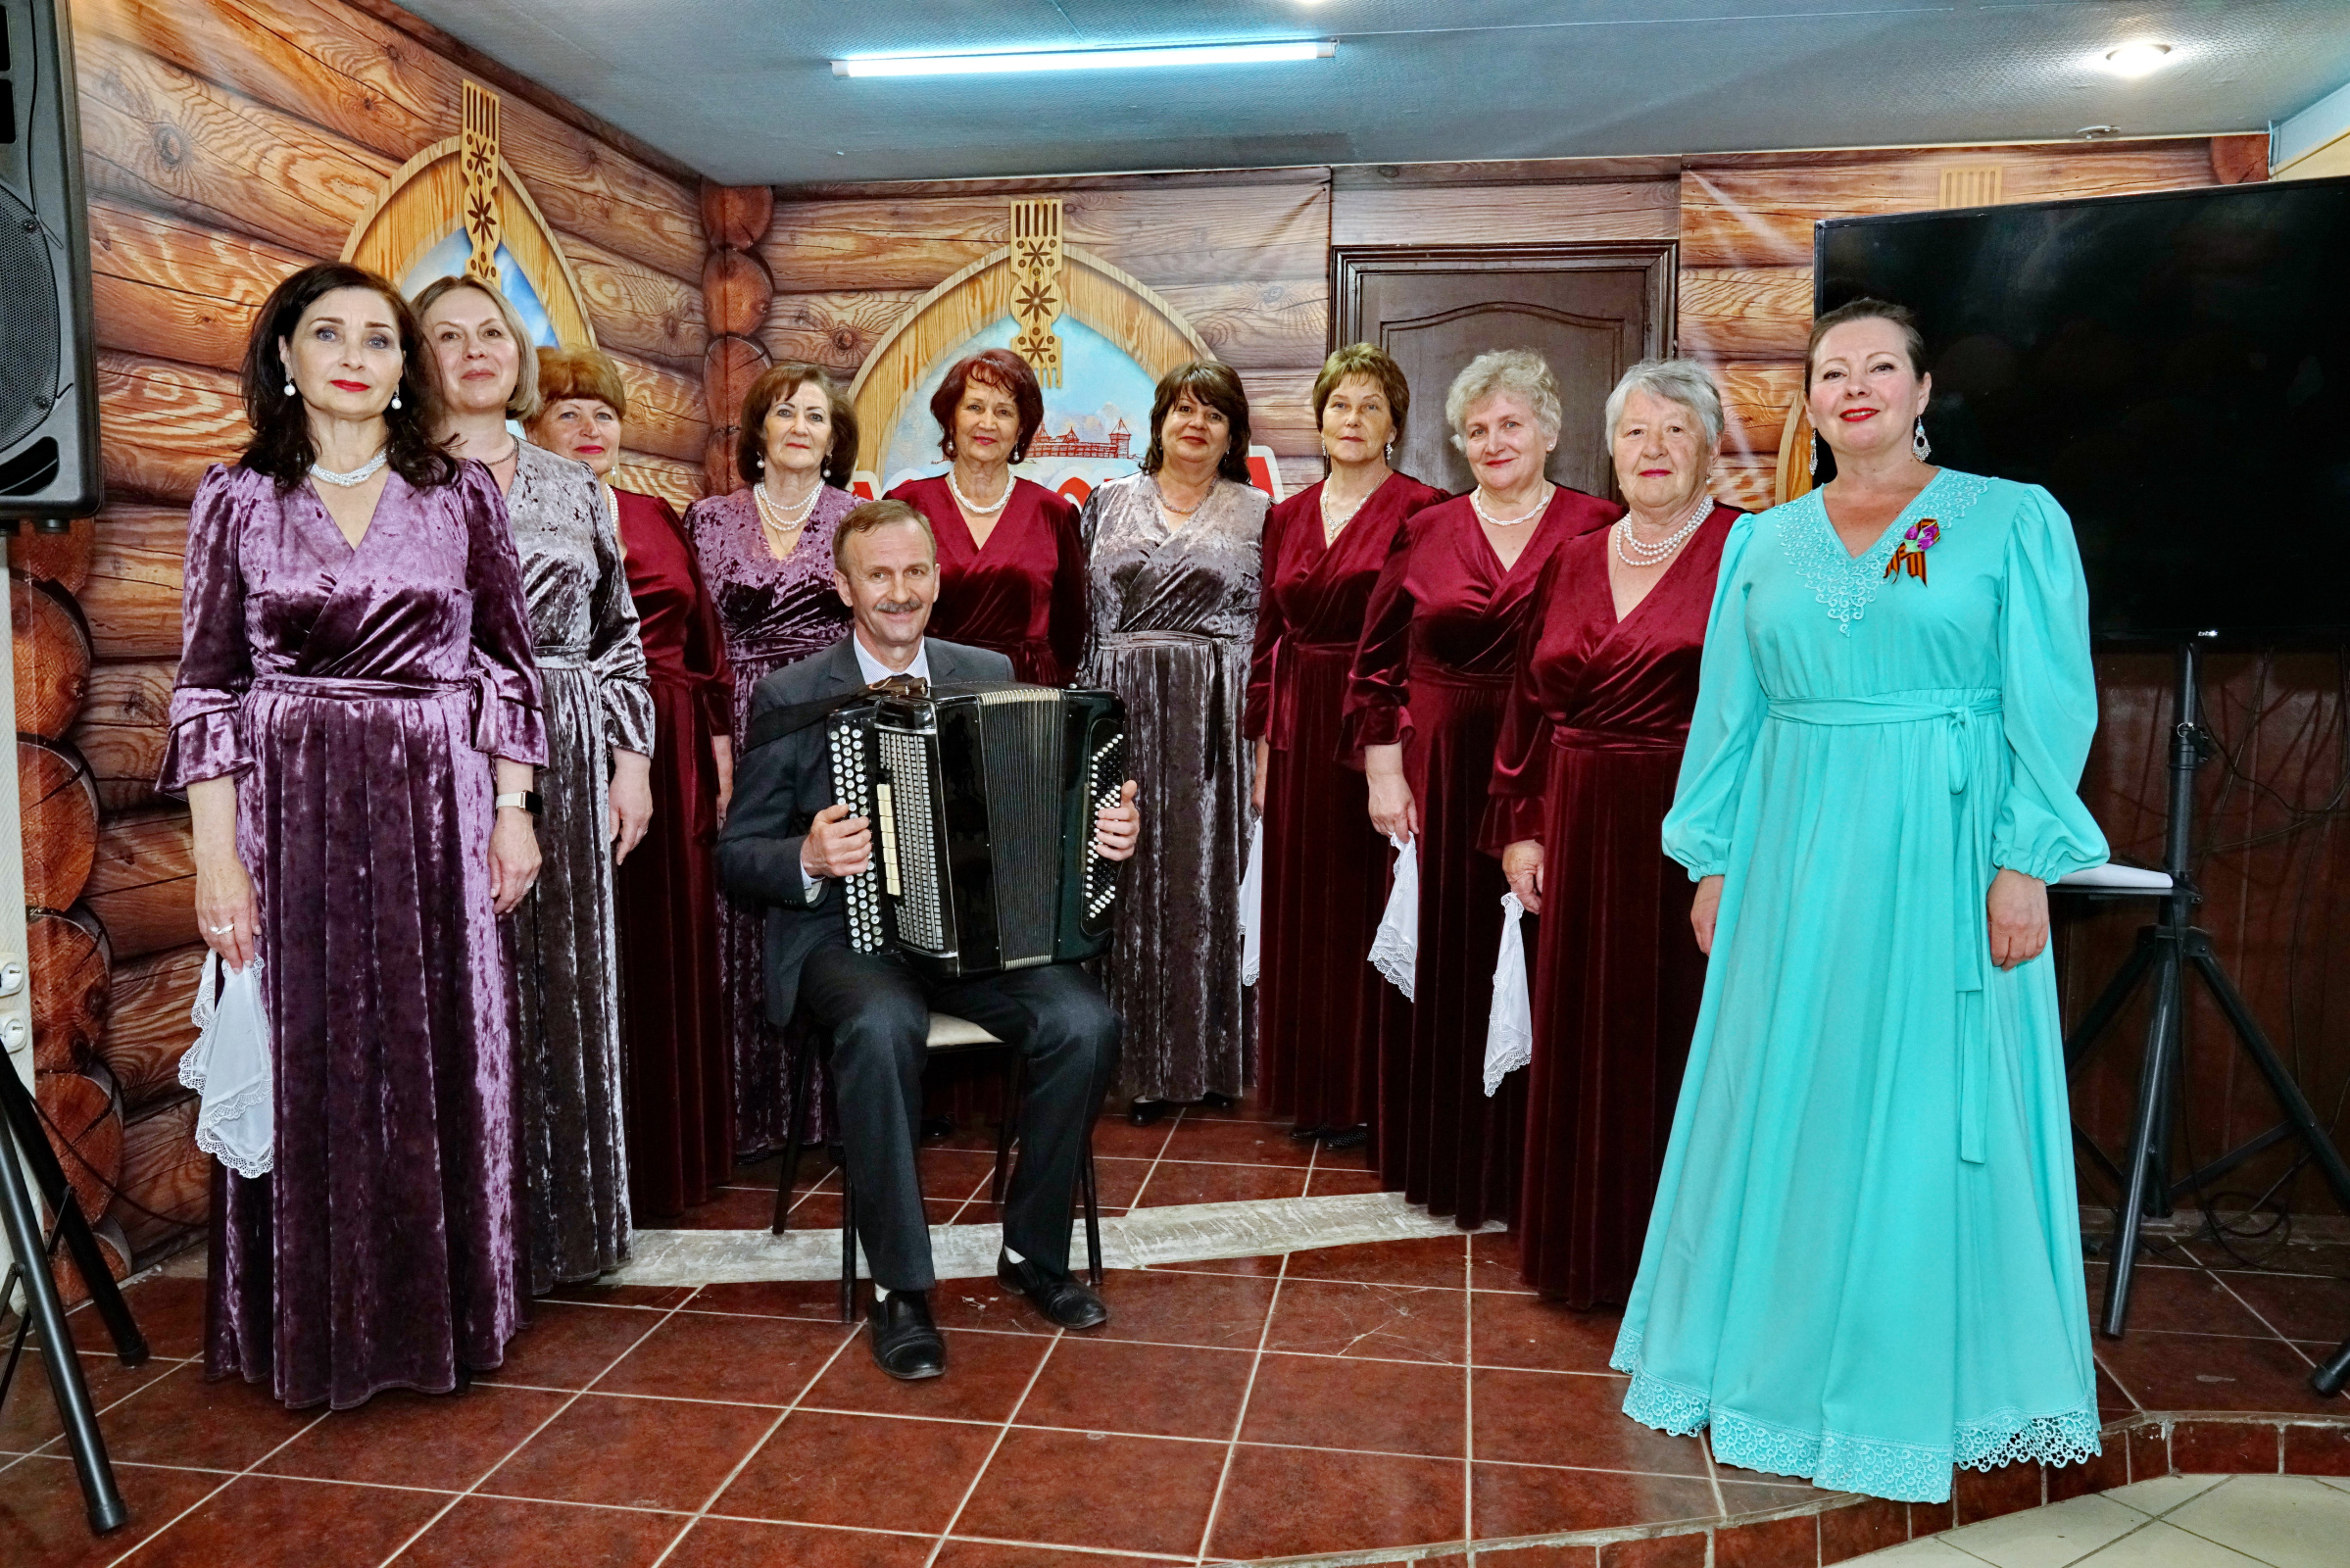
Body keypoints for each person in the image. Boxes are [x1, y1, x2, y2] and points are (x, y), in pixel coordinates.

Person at [1612, 300, 2107, 1502]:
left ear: (1922, 390)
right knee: (1788, 1094)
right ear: (1809, 401)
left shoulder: (2012, 520)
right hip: (1791, 858)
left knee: (1932, 1103)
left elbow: (2049, 700)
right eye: (1832, 371)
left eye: (1880, 366)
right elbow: (1728, 714)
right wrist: (1713, 859)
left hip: (1947, 853)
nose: (1855, 386)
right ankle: (1766, 1368)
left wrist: (2024, 859)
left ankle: (1923, 1385)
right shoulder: (1761, 541)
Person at [165, 262, 546, 1408]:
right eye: (327, 333)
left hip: (439, 806)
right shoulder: (234, 497)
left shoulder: (459, 495)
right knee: (309, 1058)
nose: (354, 355)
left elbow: (507, 666)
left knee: (441, 1051)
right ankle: (309, 1326)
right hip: (288, 814)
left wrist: (514, 810)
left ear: (402, 369)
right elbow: (206, 688)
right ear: (284, 355)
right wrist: (216, 857)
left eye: (379, 338)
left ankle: (440, 1318)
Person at [716, 500, 1141, 1381]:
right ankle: (901, 1288)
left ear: (938, 580)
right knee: (881, 1027)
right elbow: (736, 854)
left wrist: (1106, 829)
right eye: (879, 575)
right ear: (844, 587)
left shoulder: (984, 671)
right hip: (844, 938)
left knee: (1085, 1024)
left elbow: (1054, 801)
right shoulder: (793, 694)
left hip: (976, 943)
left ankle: (1032, 1253)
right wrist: (806, 855)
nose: (900, 592)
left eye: (915, 572)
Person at [1484, 360, 1739, 1305]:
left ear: (1710, 448)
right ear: (1610, 450)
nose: (1653, 448)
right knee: (1585, 1038)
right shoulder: (1574, 557)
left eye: (1676, 430)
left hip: (1692, 831)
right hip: (1580, 821)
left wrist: (1731, 855)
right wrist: (1523, 828)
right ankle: (1582, 1255)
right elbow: (1527, 705)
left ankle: (1674, 1274)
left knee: (1680, 1037)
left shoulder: (1748, 551)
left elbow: (1767, 715)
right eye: (1636, 431)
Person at [416, 275, 653, 1295]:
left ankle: (567, 1231)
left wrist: (631, 761)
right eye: (448, 336)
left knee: (563, 985)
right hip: (440, 748)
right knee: (459, 989)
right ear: (418, 358)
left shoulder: (574, 485)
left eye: (492, 333)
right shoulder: (398, 481)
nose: (476, 350)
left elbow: (618, 634)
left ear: (517, 355)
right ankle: (472, 1236)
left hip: (569, 740)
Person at [1344, 350, 1620, 1211]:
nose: (1494, 442)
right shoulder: (1426, 528)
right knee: (1448, 961)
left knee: (1550, 957)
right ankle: (1448, 1163)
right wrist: (1383, 771)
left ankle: (1536, 1175)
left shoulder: (1600, 525)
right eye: (1477, 429)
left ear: (1550, 430)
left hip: (1556, 772)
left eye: (1511, 424)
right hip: (1441, 774)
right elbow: (1375, 664)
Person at [529, 345, 734, 1218]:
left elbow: (705, 642)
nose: (590, 429)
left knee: (667, 944)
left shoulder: (656, 514)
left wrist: (719, 752)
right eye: (568, 412)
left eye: (605, 414)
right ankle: (589, 1170)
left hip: (674, 744)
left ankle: (670, 1159)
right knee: (586, 951)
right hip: (571, 743)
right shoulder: (521, 510)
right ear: (531, 426)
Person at [1248, 345, 1444, 1141]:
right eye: (1339, 404)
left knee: (1370, 901)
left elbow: (1422, 637)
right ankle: (1312, 1093)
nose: (1353, 419)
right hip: (1299, 727)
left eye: (1370, 406)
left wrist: (1395, 753)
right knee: (1304, 912)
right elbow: (1268, 640)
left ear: (1395, 424)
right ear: (1319, 421)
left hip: (1380, 730)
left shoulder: (1424, 510)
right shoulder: (1286, 516)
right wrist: (1265, 753)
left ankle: (1370, 1099)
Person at [1079, 361, 1268, 1118]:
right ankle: (1134, 1066)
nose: (1197, 424)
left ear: (1232, 435)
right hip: (1119, 708)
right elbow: (1084, 624)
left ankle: (1212, 1062)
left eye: (1214, 415)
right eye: (1183, 409)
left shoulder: (1261, 513)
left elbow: (1269, 635)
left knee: (1208, 879)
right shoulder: (1104, 504)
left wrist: (1260, 734)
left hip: (1214, 718)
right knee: (1123, 879)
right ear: (1158, 422)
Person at [685, 363, 856, 1159]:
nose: (799, 427)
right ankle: (747, 1112)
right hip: (740, 720)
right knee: (745, 895)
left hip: (832, 717)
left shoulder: (859, 519)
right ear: (758, 430)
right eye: (785, 412)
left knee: (829, 895)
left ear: (834, 438)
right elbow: (697, 647)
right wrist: (715, 749)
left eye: (815, 416)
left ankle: (833, 1112)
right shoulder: (706, 520)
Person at [887, 348, 1087, 683]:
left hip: (1028, 691)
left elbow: (1071, 631)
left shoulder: (1055, 513)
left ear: (1021, 427)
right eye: (975, 407)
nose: (987, 423)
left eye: (1004, 411)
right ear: (951, 418)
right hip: (934, 685)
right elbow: (883, 611)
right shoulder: (905, 505)